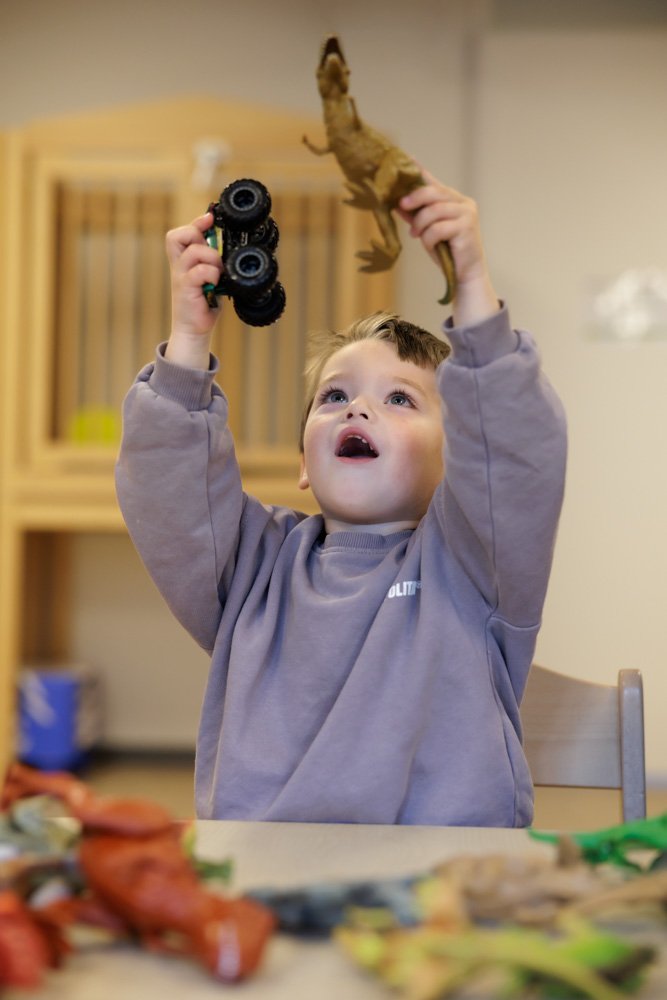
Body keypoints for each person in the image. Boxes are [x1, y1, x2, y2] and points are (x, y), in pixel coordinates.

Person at [115, 170, 567, 827]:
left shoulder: (475, 564)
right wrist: (188, 340)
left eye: (399, 398)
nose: (356, 405)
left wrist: (471, 286)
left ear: (460, 462)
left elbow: (515, 452)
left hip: (439, 895)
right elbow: (166, 490)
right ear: (303, 460)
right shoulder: (251, 569)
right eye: (333, 396)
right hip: (266, 883)